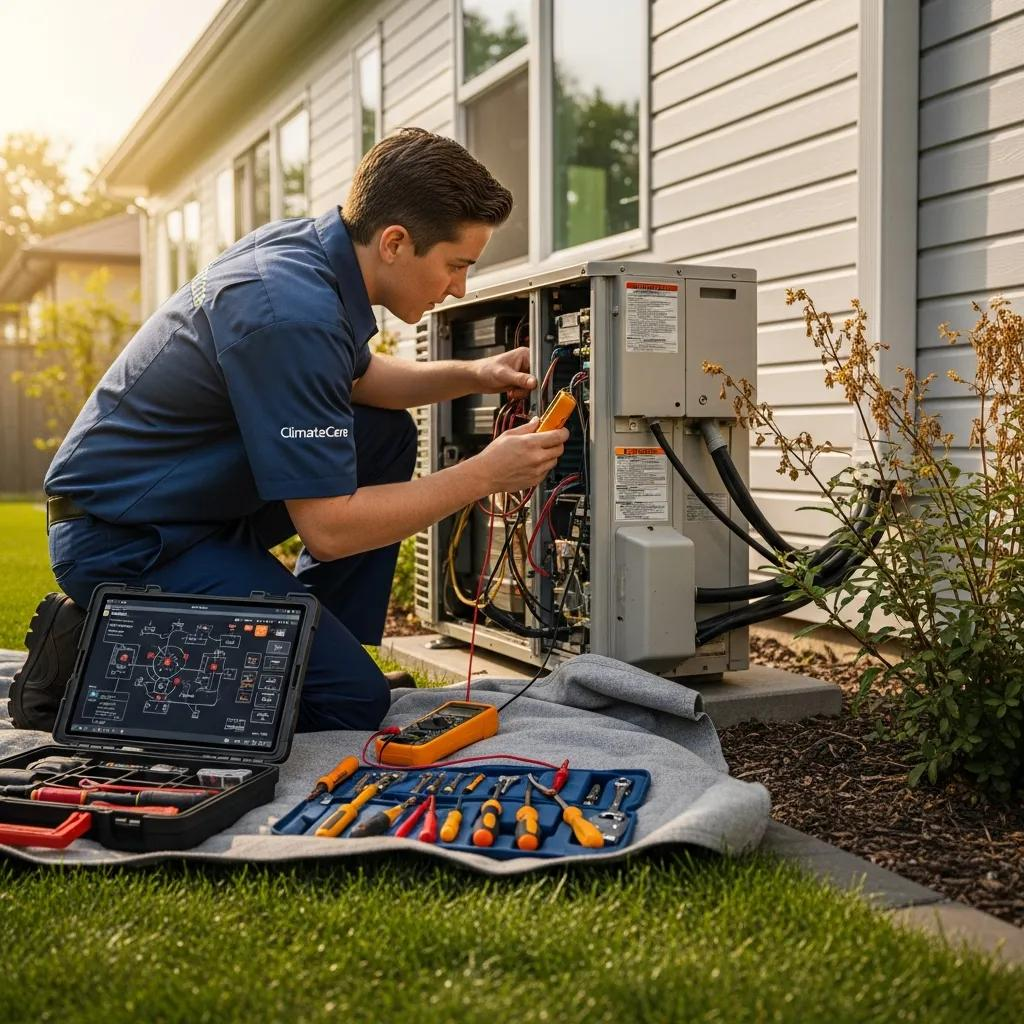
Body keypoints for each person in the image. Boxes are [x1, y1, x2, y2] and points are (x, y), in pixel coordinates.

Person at [10, 127, 568, 733]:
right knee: (350, 706)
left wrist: (476, 372)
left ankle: (318, 650)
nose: (459, 286)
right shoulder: (291, 313)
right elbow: (329, 530)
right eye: (456, 265)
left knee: (383, 435)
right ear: (395, 242)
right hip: (127, 541)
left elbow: (358, 380)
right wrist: (484, 474)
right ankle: (91, 660)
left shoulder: (312, 255)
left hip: (189, 506)